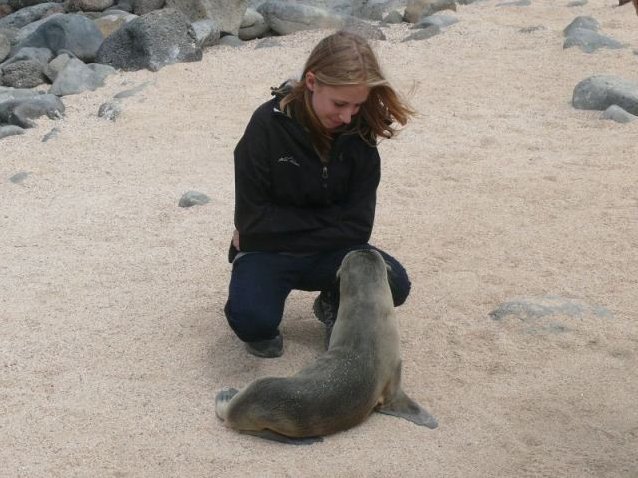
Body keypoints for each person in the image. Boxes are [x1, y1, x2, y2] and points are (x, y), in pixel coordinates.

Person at [224, 30, 415, 358]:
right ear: (312, 82)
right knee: (252, 322)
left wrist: (270, 229)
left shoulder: (360, 132)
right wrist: (330, 224)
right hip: (270, 255)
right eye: (340, 103)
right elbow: (252, 219)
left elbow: (358, 229)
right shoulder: (265, 127)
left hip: (315, 250)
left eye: (357, 105)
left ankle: (334, 302)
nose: (347, 117)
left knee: (395, 284)